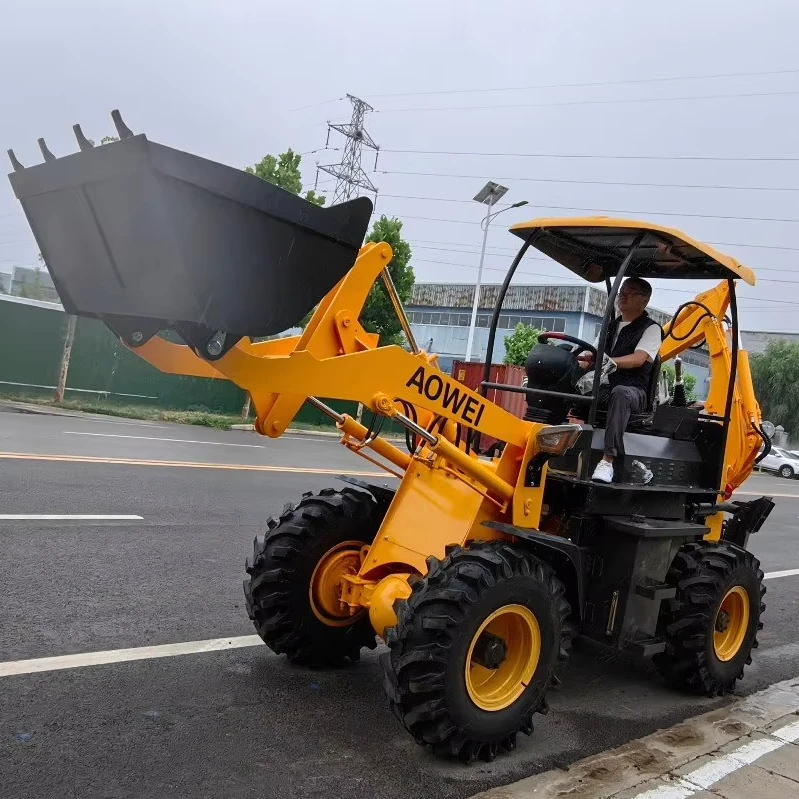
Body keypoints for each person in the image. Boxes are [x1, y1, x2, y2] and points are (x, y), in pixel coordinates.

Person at [574, 277, 663, 483]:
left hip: (635, 392)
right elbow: (594, 355)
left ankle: (607, 461)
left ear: (644, 300)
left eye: (630, 292)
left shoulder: (651, 329)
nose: (622, 295)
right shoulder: (609, 326)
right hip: (607, 387)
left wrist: (608, 362)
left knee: (621, 393)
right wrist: (581, 361)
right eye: (622, 290)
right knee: (569, 380)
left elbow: (638, 359)